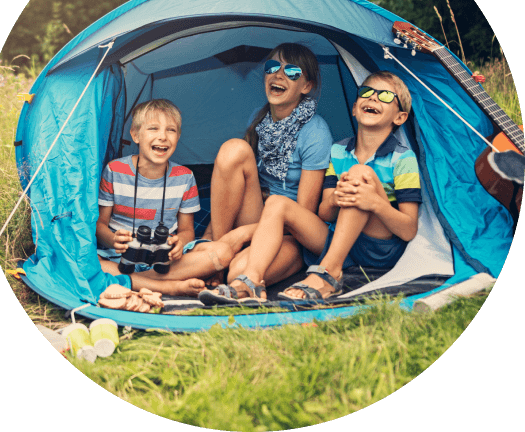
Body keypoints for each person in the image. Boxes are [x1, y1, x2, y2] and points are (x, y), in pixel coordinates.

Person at [202, 71, 421, 303]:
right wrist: (336, 198)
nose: (374, 98)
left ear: (400, 117)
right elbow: (324, 212)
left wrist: (376, 203)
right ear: (355, 108)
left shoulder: (402, 159)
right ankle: (252, 280)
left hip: (377, 248)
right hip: (334, 238)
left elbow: (408, 229)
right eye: (367, 92)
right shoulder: (338, 150)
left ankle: (329, 273)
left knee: (360, 174)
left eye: (386, 96)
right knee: (277, 203)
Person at [197, 43, 332, 302]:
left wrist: (244, 234)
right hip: (259, 209)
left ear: (306, 86)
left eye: (292, 72)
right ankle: (217, 247)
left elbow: (303, 216)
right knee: (233, 149)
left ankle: (227, 263)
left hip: (291, 232)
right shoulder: (258, 120)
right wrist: (215, 237)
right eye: (272, 67)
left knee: (237, 273)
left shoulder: (316, 132)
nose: (278, 75)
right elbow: (241, 182)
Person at [96, 99, 240, 297]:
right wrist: (113, 240)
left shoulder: (185, 177)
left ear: (178, 136)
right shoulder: (115, 171)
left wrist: (179, 242)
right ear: (135, 134)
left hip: (164, 261)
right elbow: (100, 224)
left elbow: (187, 230)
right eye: (153, 129)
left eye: (170, 130)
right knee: (88, 262)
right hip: (120, 257)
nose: (162, 137)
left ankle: (139, 282)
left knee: (222, 253)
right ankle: (168, 286)